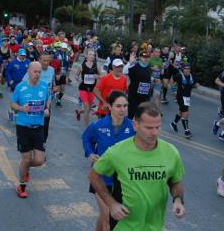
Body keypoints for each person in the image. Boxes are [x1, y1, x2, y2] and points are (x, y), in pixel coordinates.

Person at [88, 102, 185, 230]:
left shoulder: (171, 152)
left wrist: (178, 200)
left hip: (155, 227)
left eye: (158, 127)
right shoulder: (117, 152)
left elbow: (175, 181)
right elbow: (93, 175)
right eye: (149, 128)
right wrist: (111, 204)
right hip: (125, 226)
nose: (154, 133)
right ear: (135, 125)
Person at [82, 91, 134, 231]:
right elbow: (86, 138)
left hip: (122, 180)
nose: (122, 109)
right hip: (100, 178)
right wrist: (90, 153)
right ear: (110, 107)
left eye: (125, 106)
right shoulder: (98, 126)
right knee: (109, 220)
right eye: (118, 106)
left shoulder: (133, 127)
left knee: (105, 216)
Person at [10, 62, 51, 198]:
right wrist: (22, 108)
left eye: (39, 72)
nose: (37, 74)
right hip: (23, 127)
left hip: (38, 127)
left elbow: (48, 99)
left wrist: (46, 108)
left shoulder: (44, 86)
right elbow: (12, 104)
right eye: (35, 72)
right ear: (29, 71)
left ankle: (24, 168)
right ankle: (21, 185)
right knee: (26, 158)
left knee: (39, 160)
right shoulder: (21, 87)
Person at [170, 63, 198, 139]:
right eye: (185, 69)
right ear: (183, 69)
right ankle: (186, 131)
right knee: (185, 113)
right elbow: (172, 80)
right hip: (180, 96)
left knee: (181, 111)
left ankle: (174, 123)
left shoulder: (192, 76)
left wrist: (196, 85)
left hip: (187, 97)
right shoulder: (179, 76)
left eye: (188, 69)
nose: (187, 70)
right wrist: (174, 90)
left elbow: (196, 83)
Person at [123, 51, 153, 119]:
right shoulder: (135, 66)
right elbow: (124, 71)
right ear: (139, 58)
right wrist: (130, 62)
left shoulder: (148, 68)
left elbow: (146, 79)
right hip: (134, 97)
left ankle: (136, 129)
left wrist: (153, 79)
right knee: (130, 116)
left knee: (140, 117)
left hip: (144, 98)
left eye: (147, 57)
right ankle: (127, 128)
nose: (146, 59)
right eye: (144, 57)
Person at [76, 49, 101, 126]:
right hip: (83, 88)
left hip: (92, 90)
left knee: (88, 109)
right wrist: (78, 79)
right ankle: (87, 127)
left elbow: (102, 76)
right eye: (90, 54)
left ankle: (79, 112)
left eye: (93, 55)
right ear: (86, 56)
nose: (91, 56)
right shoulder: (81, 66)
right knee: (86, 107)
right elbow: (76, 75)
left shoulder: (96, 65)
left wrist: (98, 76)